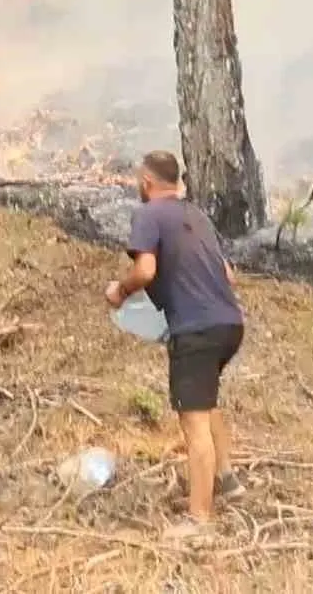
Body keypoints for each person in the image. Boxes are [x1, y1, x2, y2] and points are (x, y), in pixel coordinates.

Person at [104, 150, 246, 541]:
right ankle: (228, 479)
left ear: (147, 182)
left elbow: (146, 270)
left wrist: (120, 291)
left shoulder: (148, 215)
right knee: (207, 399)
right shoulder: (196, 215)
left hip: (195, 329)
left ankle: (200, 520)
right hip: (230, 324)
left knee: (193, 420)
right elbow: (229, 276)